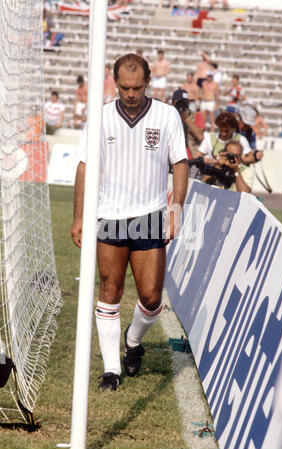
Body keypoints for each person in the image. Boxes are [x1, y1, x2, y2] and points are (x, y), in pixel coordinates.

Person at [71, 53, 188, 392]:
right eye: (124, 87)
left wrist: (176, 208)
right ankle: (111, 371)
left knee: (151, 297)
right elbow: (84, 166)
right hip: (109, 216)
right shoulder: (102, 117)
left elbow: (179, 162)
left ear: (147, 83)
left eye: (137, 87)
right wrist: (80, 216)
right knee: (110, 291)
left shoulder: (166, 116)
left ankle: (133, 341)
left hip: (150, 215)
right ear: (115, 83)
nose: (131, 93)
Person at [172, 88, 204, 159]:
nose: (182, 105)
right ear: (173, 102)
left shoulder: (196, 115)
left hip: (190, 155)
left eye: (185, 102)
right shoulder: (168, 115)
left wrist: (186, 118)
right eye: (179, 102)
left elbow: (200, 137)